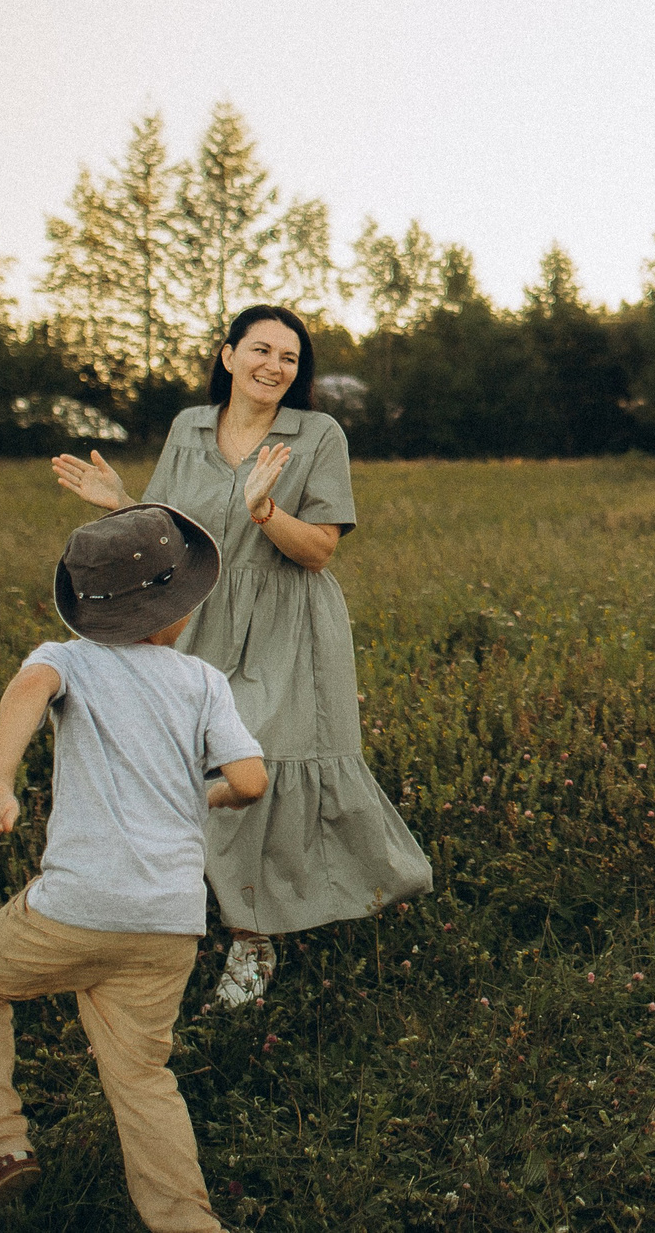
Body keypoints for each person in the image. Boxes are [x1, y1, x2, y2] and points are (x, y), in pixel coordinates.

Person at [52, 304, 431, 1008]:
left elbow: (319, 549)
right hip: (197, 614)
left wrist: (265, 512)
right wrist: (121, 503)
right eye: (260, 350)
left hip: (288, 623)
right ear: (227, 356)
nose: (273, 366)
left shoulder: (318, 433)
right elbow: (168, 536)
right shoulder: (189, 427)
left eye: (288, 358)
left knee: (252, 769)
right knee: (185, 765)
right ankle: (169, 919)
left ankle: (252, 939)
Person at [0, 502, 265, 1232]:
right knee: (140, 1076)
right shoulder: (202, 681)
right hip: (168, 922)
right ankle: (189, 1224)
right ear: (181, 603)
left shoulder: (65, 658)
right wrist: (211, 794)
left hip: (79, 904)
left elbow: (28, 690)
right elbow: (253, 779)